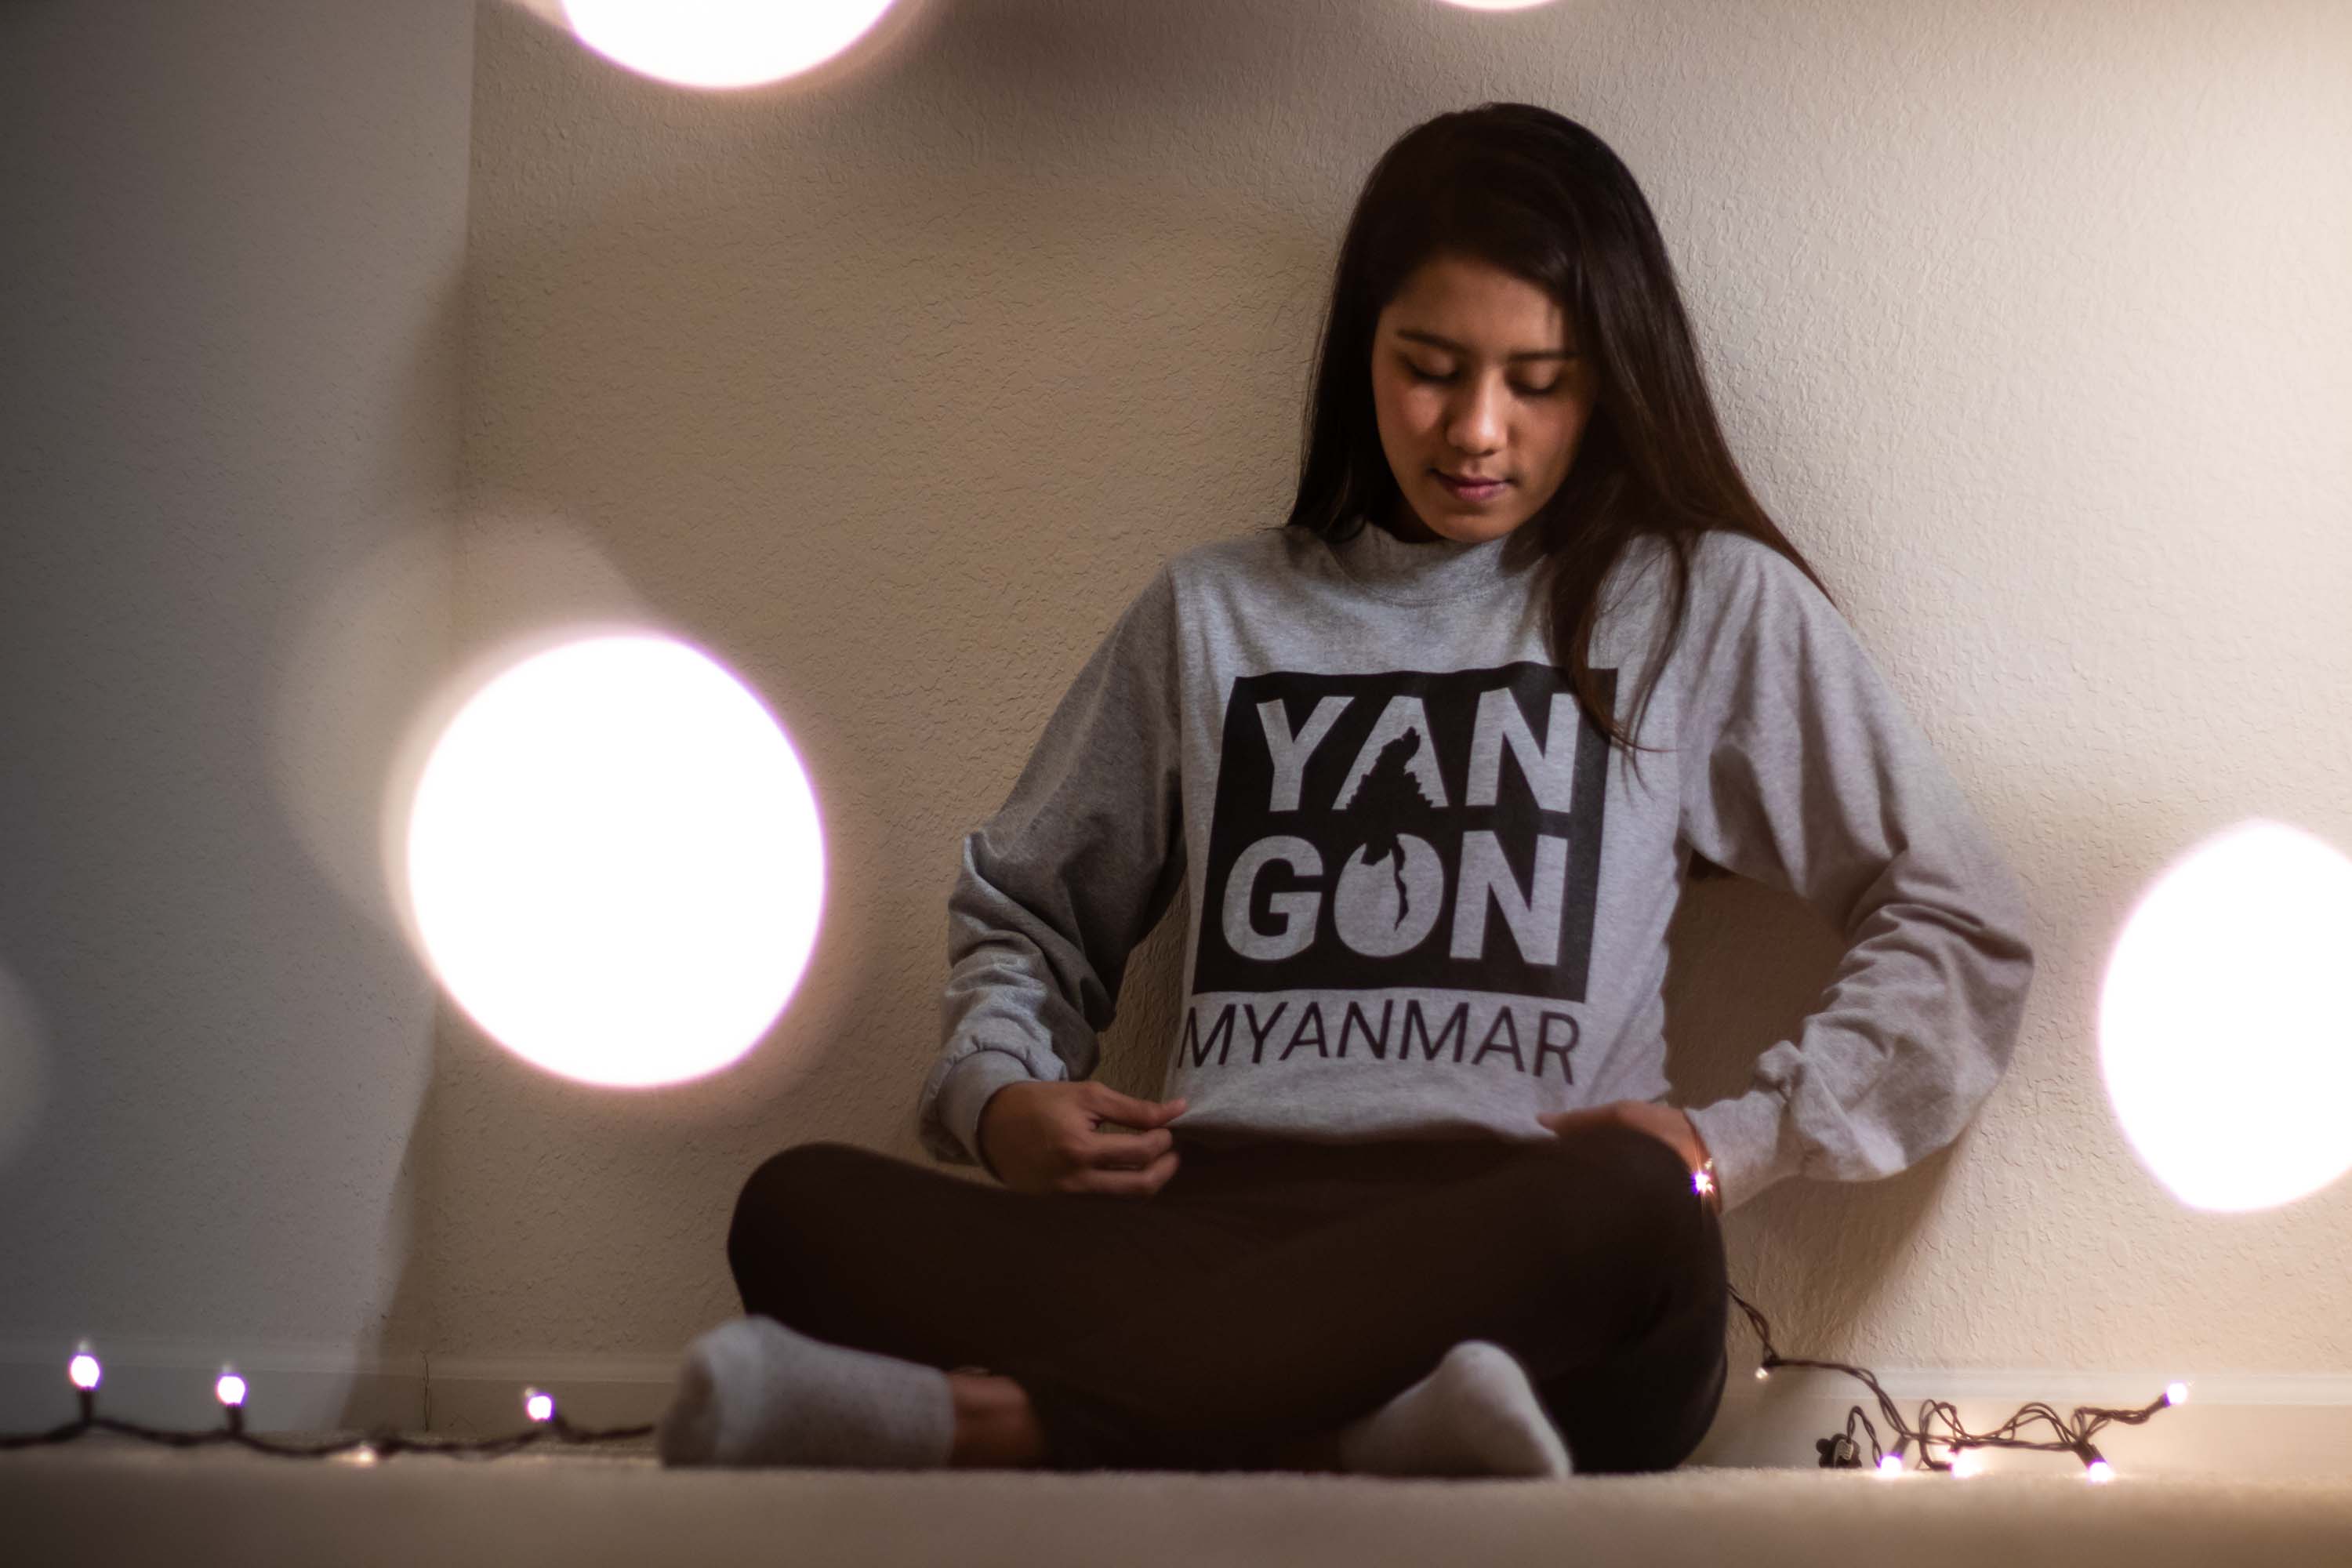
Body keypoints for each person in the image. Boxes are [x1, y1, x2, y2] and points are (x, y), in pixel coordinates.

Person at [656, 102, 2035, 1478]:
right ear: (1358, 352)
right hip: (1207, 1232)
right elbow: (1028, 910)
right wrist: (997, 1097)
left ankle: (998, 1423)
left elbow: (1961, 922)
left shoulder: (1695, 603)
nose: (1476, 431)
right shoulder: (1213, 614)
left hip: (1540, 1250)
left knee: (1639, 1203)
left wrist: (1735, 1143)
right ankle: (1372, 1428)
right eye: (1429, 368)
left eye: (1538, 381)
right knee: (796, 1207)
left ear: (1609, 377)